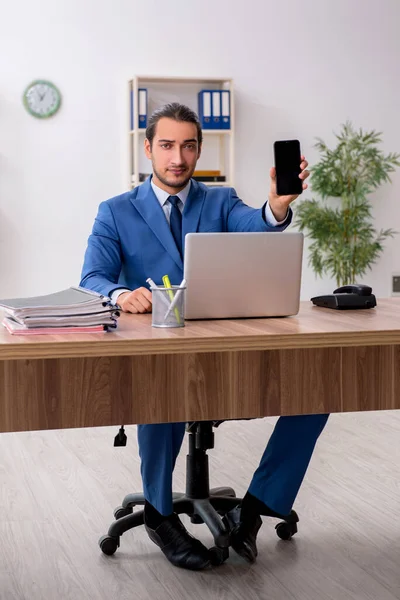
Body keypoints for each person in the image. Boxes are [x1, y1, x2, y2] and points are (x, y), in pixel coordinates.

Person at [80, 103, 329, 571]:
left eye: (188, 146)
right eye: (168, 145)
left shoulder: (219, 201)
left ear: (199, 149)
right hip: (161, 355)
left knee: (317, 391)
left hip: (225, 349)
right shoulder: (115, 211)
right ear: (149, 148)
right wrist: (118, 292)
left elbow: (255, 227)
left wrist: (276, 205)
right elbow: (91, 275)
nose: (178, 157)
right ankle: (158, 514)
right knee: (160, 392)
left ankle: (254, 508)